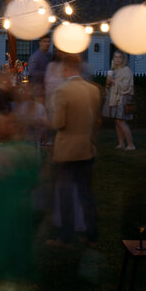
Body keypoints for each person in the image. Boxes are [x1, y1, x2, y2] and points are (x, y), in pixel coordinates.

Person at [49, 54, 102, 246]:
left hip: (67, 151)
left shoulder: (63, 90)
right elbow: (96, 121)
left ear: (66, 68)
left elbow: (58, 123)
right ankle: (92, 235)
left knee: (65, 195)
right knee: (86, 193)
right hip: (87, 147)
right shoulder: (93, 90)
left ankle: (66, 236)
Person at [0, 111, 40, 283]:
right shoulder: (30, 150)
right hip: (23, 202)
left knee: (0, 240)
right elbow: (35, 180)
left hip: (1, 202)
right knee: (22, 240)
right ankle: (20, 274)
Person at [103, 51, 135, 150]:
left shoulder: (127, 70)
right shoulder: (114, 70)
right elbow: (110, 85)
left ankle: (131, 144)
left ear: (123, 59)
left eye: (119, 57)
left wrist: (113, 81)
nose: (117, 59)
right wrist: (108, 84)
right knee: (117, 121)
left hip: (122, 98)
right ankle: (121, 143)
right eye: (115, 57)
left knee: (121, 121)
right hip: (113, 98)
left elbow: (127, 86)